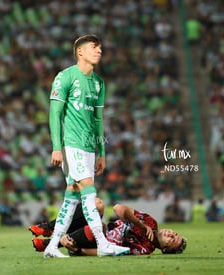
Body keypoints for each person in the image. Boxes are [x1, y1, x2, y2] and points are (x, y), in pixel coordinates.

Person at [45, 34, 129, 258]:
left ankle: (52, 246)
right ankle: (102, 244)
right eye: (94, 47)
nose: (99, 50)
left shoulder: (99, 83)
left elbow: (98, 120)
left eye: (100, 47)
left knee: (72, 196)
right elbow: (55, 113)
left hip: (89, 146)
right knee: (89, 190)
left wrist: (101, 151)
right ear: (80, 52)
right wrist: (56, 147)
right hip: (71, 144)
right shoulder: (65, 77)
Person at [30, 199, 187, 256]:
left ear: (165, 249)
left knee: (94, 229)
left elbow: (110, 252)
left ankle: (50, 243)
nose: (171, 233)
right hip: (99, 228)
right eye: (175, 234)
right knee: (97, 204)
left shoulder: (145, 249)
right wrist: (141, 224)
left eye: (172, 239)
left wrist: (79, 251)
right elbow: (118, 209)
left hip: (93, 241)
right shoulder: (150, 222)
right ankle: (49, 228)